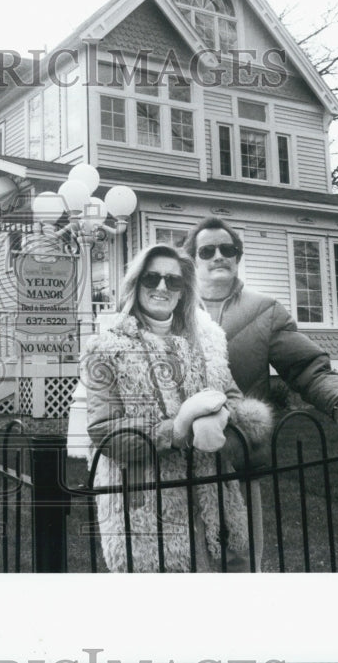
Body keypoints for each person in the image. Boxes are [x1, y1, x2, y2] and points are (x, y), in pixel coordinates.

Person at [80, 243, 272, 572]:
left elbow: (232, 396)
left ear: (184, 291)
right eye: (151, 278)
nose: (162, 288)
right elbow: (103, 431)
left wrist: (225, 414)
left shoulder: (203, 341)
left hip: (210, 498)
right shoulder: (106, 347)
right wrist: (176, 430)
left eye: (173, 281)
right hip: (146, 504)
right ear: (135, 284)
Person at [182, 217, 338, 434]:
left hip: (243, 442)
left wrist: (337, 398)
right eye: (207, 251)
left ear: (237, 257)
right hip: (183, 442)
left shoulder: (265, 309)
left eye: (227, 249)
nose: (219, 256)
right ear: (194, 261)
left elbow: (306, 367)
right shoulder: (174, 308)